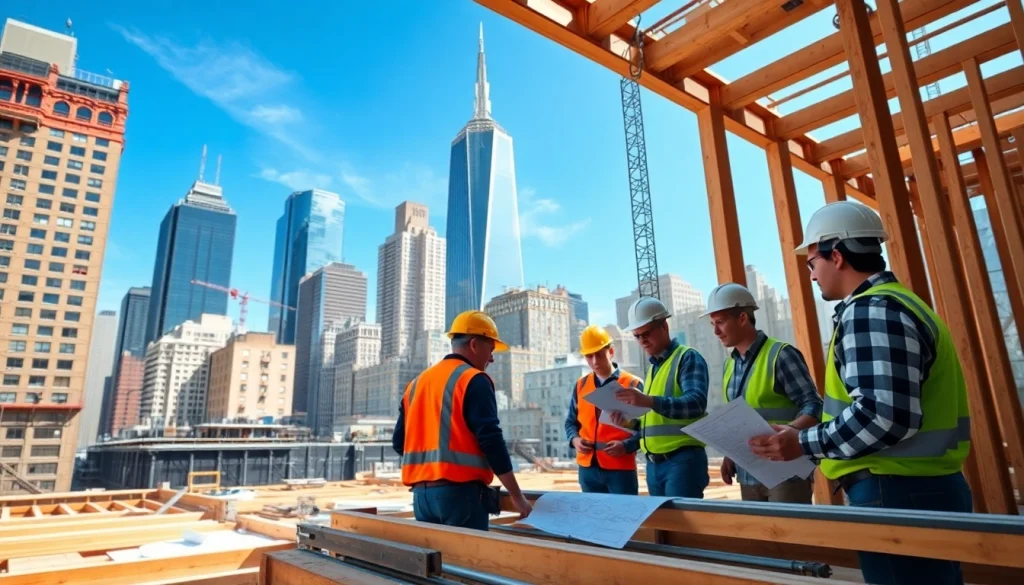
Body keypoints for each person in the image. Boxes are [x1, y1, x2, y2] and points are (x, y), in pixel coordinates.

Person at [749, 201, 973, 585]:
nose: (811, 274)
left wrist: (802, 443)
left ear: (836, 256)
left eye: (812, 262)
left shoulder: (872, 311)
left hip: (896, 492)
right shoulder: (900, 303)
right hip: (919, 488)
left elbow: (883, 415)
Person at [393, 310, 532, 530]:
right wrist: (516, 495)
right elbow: (491, 441)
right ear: (474, 345)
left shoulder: (416, 384)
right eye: (490, 350)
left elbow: (399, 443)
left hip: (421, 498)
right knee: (469, 553)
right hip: (461, 496)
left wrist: (429, 469)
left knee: (437, 553)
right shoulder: (474, 379)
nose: (492, 358)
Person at [703, 283, 822, 503]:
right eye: (713, 324)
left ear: (742, 318)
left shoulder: (781, 354)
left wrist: (790, 431)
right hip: (748, 472)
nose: (715, 331)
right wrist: (731, 455)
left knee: (786, 526)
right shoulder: (730, 365)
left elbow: (814, 405)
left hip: (786, 471)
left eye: (720, 322)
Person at [610, 297, 710, 498]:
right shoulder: (654, 369)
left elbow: (696, 403)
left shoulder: (687, 357)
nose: (642, 341)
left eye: (646, 333)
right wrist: (627, 423)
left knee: (681, 519)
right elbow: (654, 424)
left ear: (664, 326)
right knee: (664, 519)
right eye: (637, 336)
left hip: (682, 461)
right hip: (654, 465)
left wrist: (648, 401)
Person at [564, 324, 642, 495]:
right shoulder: (581, 385)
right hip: (587, 469)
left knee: (623, 512)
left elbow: (647, 429)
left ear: (611, 351)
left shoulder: (632, 384)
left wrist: (627, 446)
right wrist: (575, 440)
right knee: (593, 513)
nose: (594, 361)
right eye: (589, 356)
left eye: (599, 354)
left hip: (620, 468)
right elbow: (570, 422)